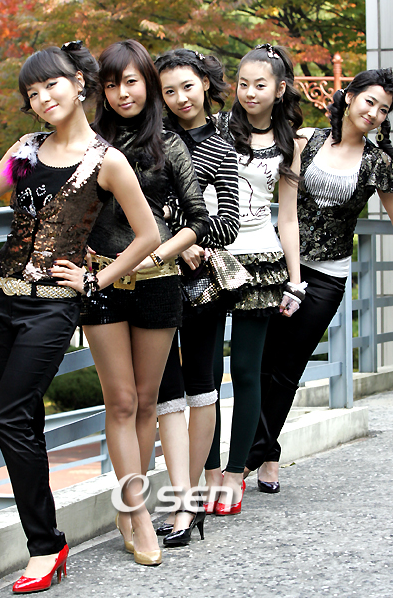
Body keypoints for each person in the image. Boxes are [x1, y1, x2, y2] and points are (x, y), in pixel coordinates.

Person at [0, 43, 160, 591]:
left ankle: (46, 546)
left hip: (53, 306)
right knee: (25, 422)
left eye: (51, 85)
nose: (43, 98)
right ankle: (46, 543)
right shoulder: (25, 149)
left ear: (80, 84)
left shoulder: (107, 161)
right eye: (32, 92)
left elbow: (148, 235)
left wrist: (96, 280)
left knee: (9, 418)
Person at [244, 67, 393, 491]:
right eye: (369, 101)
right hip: (280, 266)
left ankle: (247, 459)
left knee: (288, 369)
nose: (373, 113)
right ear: (350, 96)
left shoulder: (378, 163)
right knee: (261, 364)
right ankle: (268, 453)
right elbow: (284, 212)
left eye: (383, 110)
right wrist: (290, 276)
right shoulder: (306, 141)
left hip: (328, 278)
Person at [79, 40, 209, 565]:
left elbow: (201, 220)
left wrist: (155, 255)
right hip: (100, 284)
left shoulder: (168, 144)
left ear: (147, 83)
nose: (121, 93)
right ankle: (134, 512)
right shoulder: (87, 143)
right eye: (111, 84)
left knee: (148, 402)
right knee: (121, 402)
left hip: (157, 282)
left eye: (131, 81)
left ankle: (134, 507)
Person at [204, 44, 305, 515]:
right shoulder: (217, 128)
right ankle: (207, 473)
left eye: (260, 85)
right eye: (242, 83)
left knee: (245, 371)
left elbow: (288, 217)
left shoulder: (291, 143)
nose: (249, 92)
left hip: (261, 262)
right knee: (204, 375)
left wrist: (295, 281)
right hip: (209, 255)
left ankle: (234, 474)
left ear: (279, 89)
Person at [152, 48, 240, 546]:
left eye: (188, 86)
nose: (180, 97)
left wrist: (192, 241)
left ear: (205, 83)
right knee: (165, 390)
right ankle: (180, 496)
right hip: (153, 279)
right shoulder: (151, 140)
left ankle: (190, 503)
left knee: (202, 384)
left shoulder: (222, 146)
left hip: (201, 281)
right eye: (169, 90)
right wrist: (173, 240)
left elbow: (228, 222)